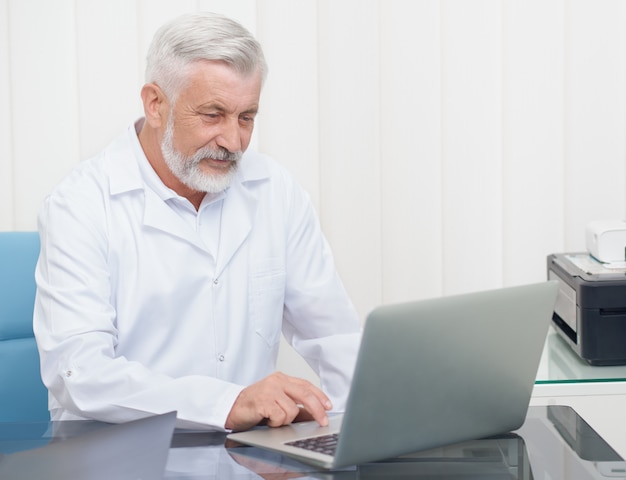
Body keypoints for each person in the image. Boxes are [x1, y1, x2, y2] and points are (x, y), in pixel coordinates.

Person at [33, 12, 361, 432]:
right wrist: (228, 404)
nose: (233, 141)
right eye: (213, 115)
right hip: (114, 453)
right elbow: (79, 373)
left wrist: (365, 427)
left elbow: (335, 336)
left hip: (244, 454)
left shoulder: (274, 190)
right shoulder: (80, 205)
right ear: (156, 104)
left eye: (247, 117)